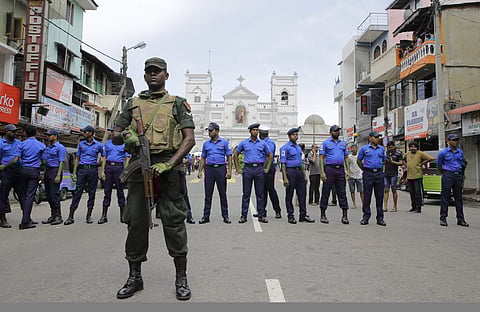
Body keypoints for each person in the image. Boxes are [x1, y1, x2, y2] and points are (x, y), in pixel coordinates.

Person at [113, 57, 195, 300]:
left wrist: (169, 164)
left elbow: (189, 139)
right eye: (148, 72)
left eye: (157, 72)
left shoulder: (177, 103)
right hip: (139, 168)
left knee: (174, 222)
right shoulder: (133, 103)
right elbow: (115, 134)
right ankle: (134, 277)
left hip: (169, 170)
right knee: (136, 223)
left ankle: (181, 277)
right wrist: (126, 137)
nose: (152, 75)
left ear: (166, 76)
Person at [64, 125, 104, 225]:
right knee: (77, 193)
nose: (83, 133)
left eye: (85, 132)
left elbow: (104, 157)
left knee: (92, 193)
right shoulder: (81, 144)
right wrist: (74, 172)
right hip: (82, 170)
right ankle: (71, 216)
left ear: (90, 133)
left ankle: (89, 216)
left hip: (92, 170)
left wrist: (101, 166)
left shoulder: (98, 145)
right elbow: (77, 158)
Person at [234, 123, 272, 224]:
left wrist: (266, 168)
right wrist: (238, 168)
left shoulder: (263, 143)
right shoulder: (244, 143)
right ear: (250, 131)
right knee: (246, 194)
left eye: (257, 130)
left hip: (259, 169)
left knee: (260, 194)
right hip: (248, 169)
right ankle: (243, 215)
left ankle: (261, 215)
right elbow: (236, 154)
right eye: (254, 130)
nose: (255, 131)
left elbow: (270, 155)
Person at [197, 122, 232, 224]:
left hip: (221, 169)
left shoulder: (224, 143)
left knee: (222, 194)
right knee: (208, 194)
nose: (209, 132)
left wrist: (229, 170)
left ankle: (225, 216)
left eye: (211, 130)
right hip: (210, 170)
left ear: (216, 131)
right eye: (208, 130)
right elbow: (203, 158)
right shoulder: (206, 144)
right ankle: (206, 216)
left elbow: (229, 157)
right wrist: (200, 170)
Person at [280, 127, 315, 224]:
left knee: (302, 194)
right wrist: (285, 177)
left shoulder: (299, 148)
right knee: (289, 195)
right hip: (290, 172)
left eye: (296, 135)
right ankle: (290, 215)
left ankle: (303, 215)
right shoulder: (285, 148)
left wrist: (304, 175)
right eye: (293, 135)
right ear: (289, 136)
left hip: (299, 172)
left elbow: (301, 163)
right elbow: (282, 163)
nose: (295, 136)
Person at [98, 127, 130, 224]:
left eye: (114, 132)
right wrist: (102, 171)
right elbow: (104, 157)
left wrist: (125, 171)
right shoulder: (107, 143)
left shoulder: (124, 144)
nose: (112, 133)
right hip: (108, 167)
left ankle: (122, 215)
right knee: (107, 192)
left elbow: (127, 158)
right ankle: (104, 216)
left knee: (120, 192)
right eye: (111, 132)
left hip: (119, 167)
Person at [319, 125, 350, 225]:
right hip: (329, 169)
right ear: (330, 132)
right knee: (326, 192)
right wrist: (322, 172)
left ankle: (344, 215)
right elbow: (321, 158)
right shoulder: (325, 143)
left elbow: (346, 158)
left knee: (342, 192)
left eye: (338, 131)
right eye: (335, 131)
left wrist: (348, 171)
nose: (337, 132)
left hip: (340, 170)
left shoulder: (343, 143)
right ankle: (323, 214)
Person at [437, 134, 469, 227]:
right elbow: (439, 165)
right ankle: (443, 218)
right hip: (448, 174)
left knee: (458, 198)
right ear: (449, 141)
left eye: (456, 140)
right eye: (454, 140)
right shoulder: (443, 153)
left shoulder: (460, 152)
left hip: (458, 175)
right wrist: (445, 173)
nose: (456, 142)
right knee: (445, 197)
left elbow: (462, 163)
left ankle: (461, 219)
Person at [18, 125, 46, 229]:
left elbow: (18, 158)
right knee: (30, 195)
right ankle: (25, 221)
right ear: (35, 133)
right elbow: (44, 161)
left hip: (22, 170)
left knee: (24, 195)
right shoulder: (41, 145)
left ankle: (27, 218)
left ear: (25, 133)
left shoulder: (21, 144)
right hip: (34, 170)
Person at [357, 131, 387, 226]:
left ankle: (380, 218)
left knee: (379, 196)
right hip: (368, 174)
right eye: (375, 137)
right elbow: (359, 161)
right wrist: (365, 169)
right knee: (367, 196)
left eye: (378, 137)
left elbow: (384, 160)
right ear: (370, 138)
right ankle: (366, 217)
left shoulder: (381, 149)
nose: (377, 138)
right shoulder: (364, 149)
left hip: (379, 173)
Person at [0, 124, 24, 229]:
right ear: (6, 132)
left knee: (22, 195)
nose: (15, 133)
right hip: (6, 172)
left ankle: (26, 217)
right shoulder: (1, 143)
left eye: (15, 131)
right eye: (13, 131)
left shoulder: (18, 143)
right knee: (3, 196)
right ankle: (3, 219)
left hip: (18, 171)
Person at [42, 129, 67, 225]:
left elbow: (61, 162)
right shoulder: (48, 147)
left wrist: (58, 175)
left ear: (55, 136)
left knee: (54, 194)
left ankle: (58, 216)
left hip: (55, 170)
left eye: (50, 135)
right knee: (48, 195)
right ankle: (52, 215)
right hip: (48, 171)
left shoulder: (60, 147)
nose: (48, 137)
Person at [257, 125, 282, 218]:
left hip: (268, 168)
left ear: (261, 134)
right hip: (260, 168)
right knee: (262, 190)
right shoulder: (260, 142)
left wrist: (266, 169)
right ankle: (262, 211)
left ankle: (277, 210)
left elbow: (269, 156)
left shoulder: (269, 143)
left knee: (270, 189)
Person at [402, 142, 434, 213]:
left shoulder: (420, 153)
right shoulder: (407, 154)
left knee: (418, 192)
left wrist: (422, 163)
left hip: (417, 176)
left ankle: (418, 208)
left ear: (417, 147)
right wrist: (405, 165)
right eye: (411, 147)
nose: (413, 148)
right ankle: (413, 207)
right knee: (411, 192)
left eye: (414, 147)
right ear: (409, 148)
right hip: (409, 176)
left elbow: (431, 158)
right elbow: (402, 159)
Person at [383, 141, 403, 212]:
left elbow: (401, 163)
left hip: (394, 174)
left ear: (394, 146)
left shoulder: (398, 153)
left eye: (391, 146)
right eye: (389, 147)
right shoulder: (386, 153)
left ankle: (395, 206)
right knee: (386, 190)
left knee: (394, 190)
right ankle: (385, 207)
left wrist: (393, 162)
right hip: (386, 174)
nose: (390, 148)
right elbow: (383, 162)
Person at [347, 144, 363, 209]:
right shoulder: (349, 157)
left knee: (361, 190)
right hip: (351, 175)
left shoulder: (360, 156)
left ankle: (363, 203)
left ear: (357, 149)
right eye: (353, 148)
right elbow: (346, 165)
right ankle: (354, 203)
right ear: (351, 149)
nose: (354, 149)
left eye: (355, 148)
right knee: (352, 190)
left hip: (359, 175)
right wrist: (347, 173)